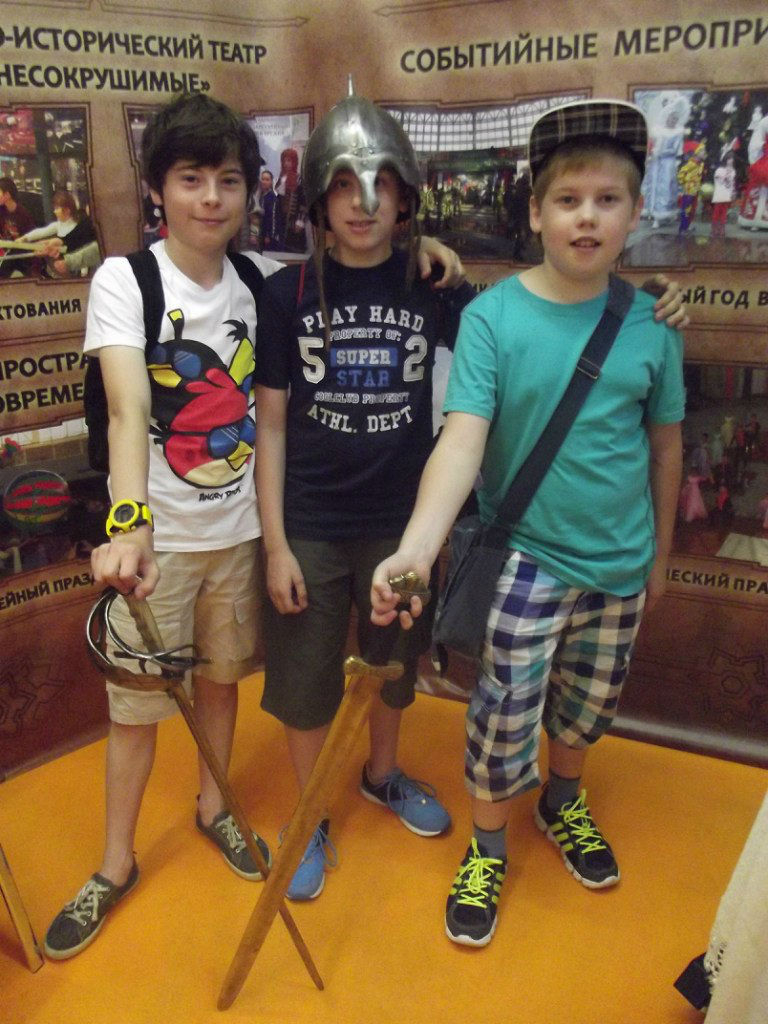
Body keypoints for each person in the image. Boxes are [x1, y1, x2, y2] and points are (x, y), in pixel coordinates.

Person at [371, 99, 685, 948]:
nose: (588, 217)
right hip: (527, 564)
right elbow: (461, 442)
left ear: (633, 214)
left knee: (587, 706)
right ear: (537, 213)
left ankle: (563, 802)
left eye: (608, 200)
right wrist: (416, 549)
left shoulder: (653, 325)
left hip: (621, 564)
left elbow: (665, 446)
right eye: (568, 199)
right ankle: (487, 846)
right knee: (502, 715)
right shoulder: (493, 319)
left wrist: (661, 554)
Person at [42, 93, 285, 961]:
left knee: (221, 682)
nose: (211, 198)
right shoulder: (127, 280)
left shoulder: (262, 280)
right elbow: (127, 408)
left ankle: (215, 807)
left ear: (249, 190)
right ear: (158, 189)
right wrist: (132, 524)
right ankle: (115, 862)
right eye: (191, 179)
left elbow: (357, 264)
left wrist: (432, 254)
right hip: (160, 542)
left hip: (238, 533)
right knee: (136, 708)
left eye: (229, 180)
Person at [254, 90, 474, 902]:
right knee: (307, 678)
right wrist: (275, 544)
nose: (364, 202)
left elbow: (512, 339)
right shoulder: (285, 294)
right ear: (318, 197)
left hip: (399, 521)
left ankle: (382, 776)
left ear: (406, 197)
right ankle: (311, 812)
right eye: (345, 184)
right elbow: (271, 426)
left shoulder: (433, 285)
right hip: (310, 521)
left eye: (381, 182)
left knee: (392, 666)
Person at [19, 189, 100, 278]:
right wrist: (25, 237)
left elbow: (86, 249)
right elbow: (42, 232)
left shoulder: (82, 225)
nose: (55, 211)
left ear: (67, 210)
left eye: (57, 208)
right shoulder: (60, 225)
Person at [0, 176, 38, 278]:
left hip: (25, 254)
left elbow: (33, 236)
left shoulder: (23, 214)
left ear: (7, 195)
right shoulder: (1, 211)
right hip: (11, 253)